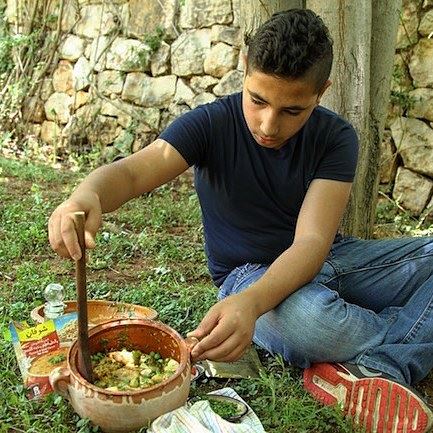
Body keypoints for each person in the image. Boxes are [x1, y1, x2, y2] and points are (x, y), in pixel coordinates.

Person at [48, 8, 433, 433]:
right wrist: (85, 195)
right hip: (246, 278)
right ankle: (402, 334)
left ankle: (377, 361)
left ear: (321, 92)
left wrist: (254, 307)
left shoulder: (336, 136)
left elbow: (311, 243)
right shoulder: (211, 124)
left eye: (292, 110)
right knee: (311, 322)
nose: (268, 125)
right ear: (244, 69)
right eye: (258, 100)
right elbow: (137, 170)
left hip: (330, 260)